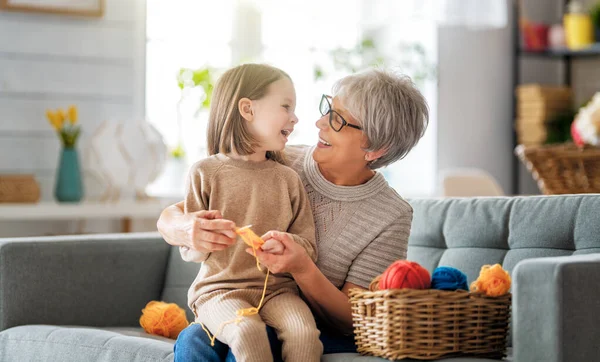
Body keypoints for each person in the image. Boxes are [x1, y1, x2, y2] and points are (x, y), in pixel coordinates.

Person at [157, 68, 430, 361]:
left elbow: (355, 318)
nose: (319, 123)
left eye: (337, 120)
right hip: (243, 302)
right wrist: (185, 228)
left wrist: (302, 268)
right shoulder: (278, 158)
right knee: (197, 338)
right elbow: (179, 212)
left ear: (376, 148)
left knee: (244, 341)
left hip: (317, 327)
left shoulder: (391, 215)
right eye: (328, 109)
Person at [175, 63, 323, 362]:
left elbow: (308, 244)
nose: (294, 118)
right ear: (247, 109)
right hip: (219, 292)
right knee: (247, 331)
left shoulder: (287, 179)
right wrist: (202, 240)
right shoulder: (205, 173)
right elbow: (188, 250)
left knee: (305, 334)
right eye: (285, 106)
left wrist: (288, 247)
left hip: (278, 292)